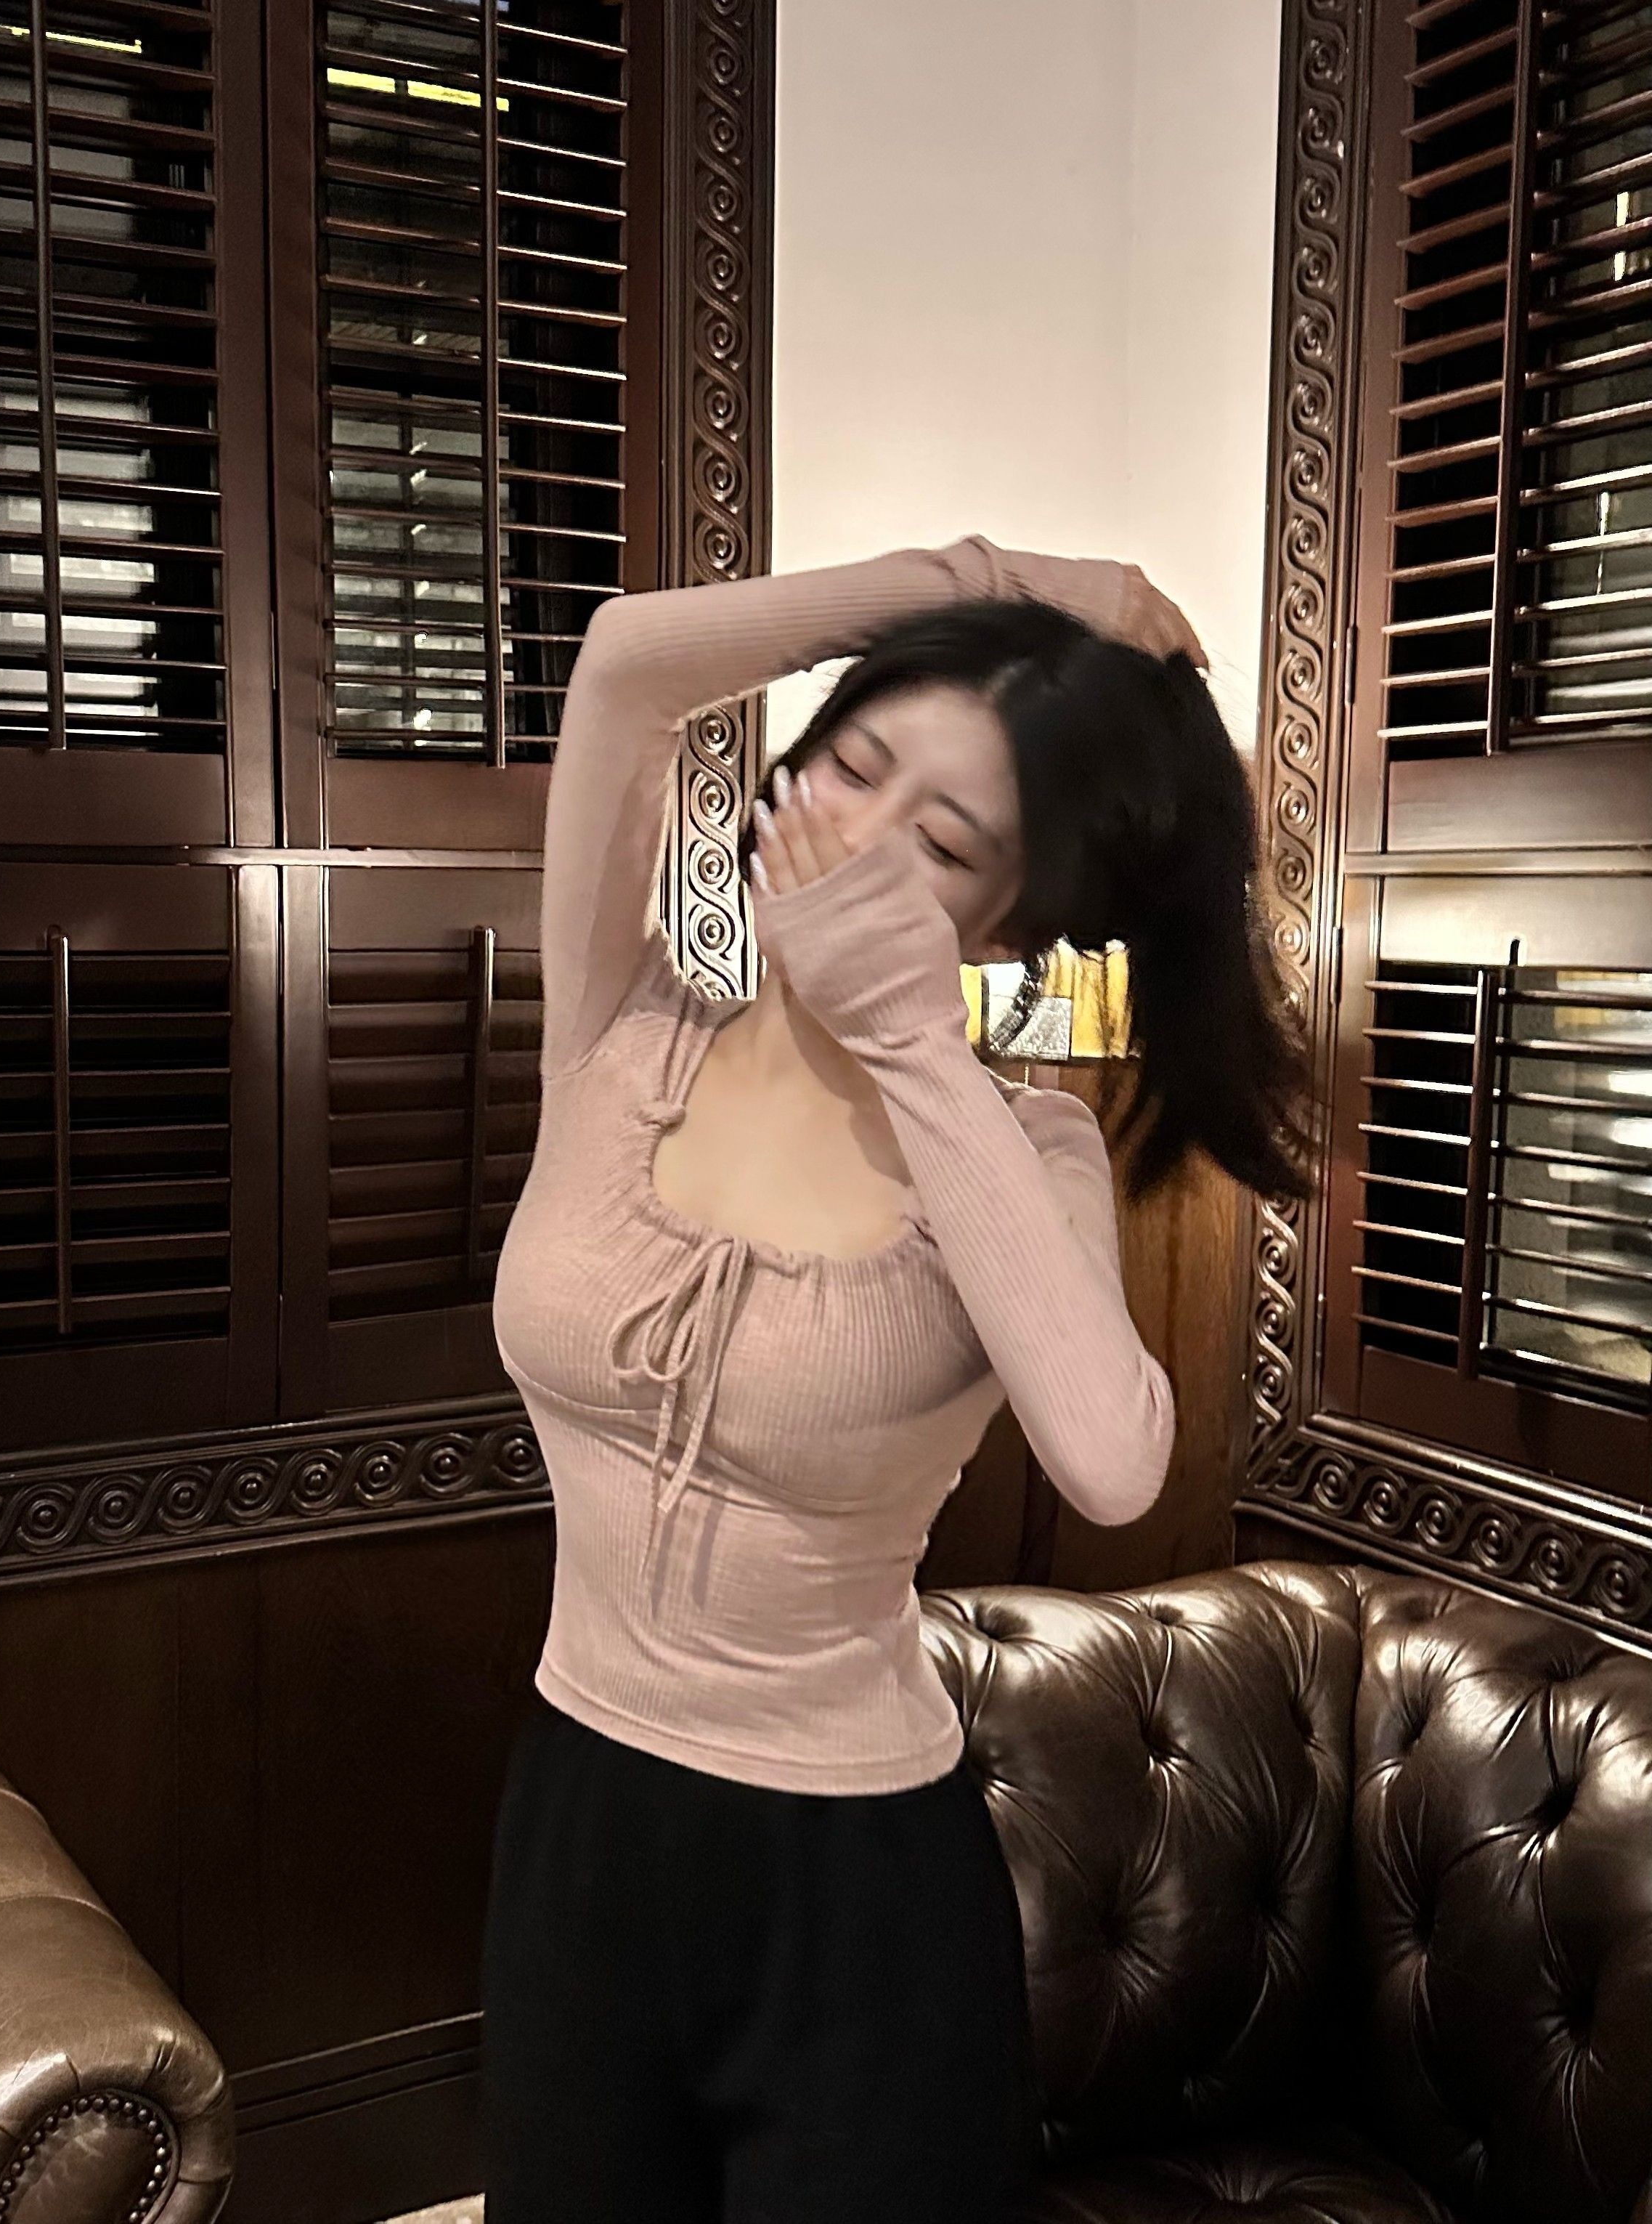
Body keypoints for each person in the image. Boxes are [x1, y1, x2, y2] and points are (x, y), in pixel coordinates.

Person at [480, 534, 1312, 2223]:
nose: (863, 839)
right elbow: (627, 659)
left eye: (943, 844)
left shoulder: (1023, 1150)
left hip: (858, 1888)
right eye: (853, 768)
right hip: (579, 1825)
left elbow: (1111, 1458)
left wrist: (916, 1045)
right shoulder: (622, 1025)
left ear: (1012, 922)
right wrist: (989, 578)